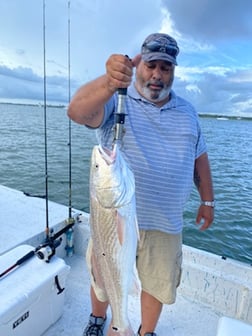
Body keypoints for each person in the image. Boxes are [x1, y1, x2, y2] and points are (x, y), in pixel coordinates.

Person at [68, 33, 214, 336]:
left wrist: (207, 201)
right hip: (113, 218)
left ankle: (144, 332)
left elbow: (199, 156)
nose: (157, 75)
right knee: (104, 275)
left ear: (173, 71)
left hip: (165, 222)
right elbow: (77, 112)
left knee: (156, 285)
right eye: (151, 66)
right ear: (139, 66)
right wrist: (109, 82)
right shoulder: (117, 100)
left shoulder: (188, 112)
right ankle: (99, 320)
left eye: (166, 68)